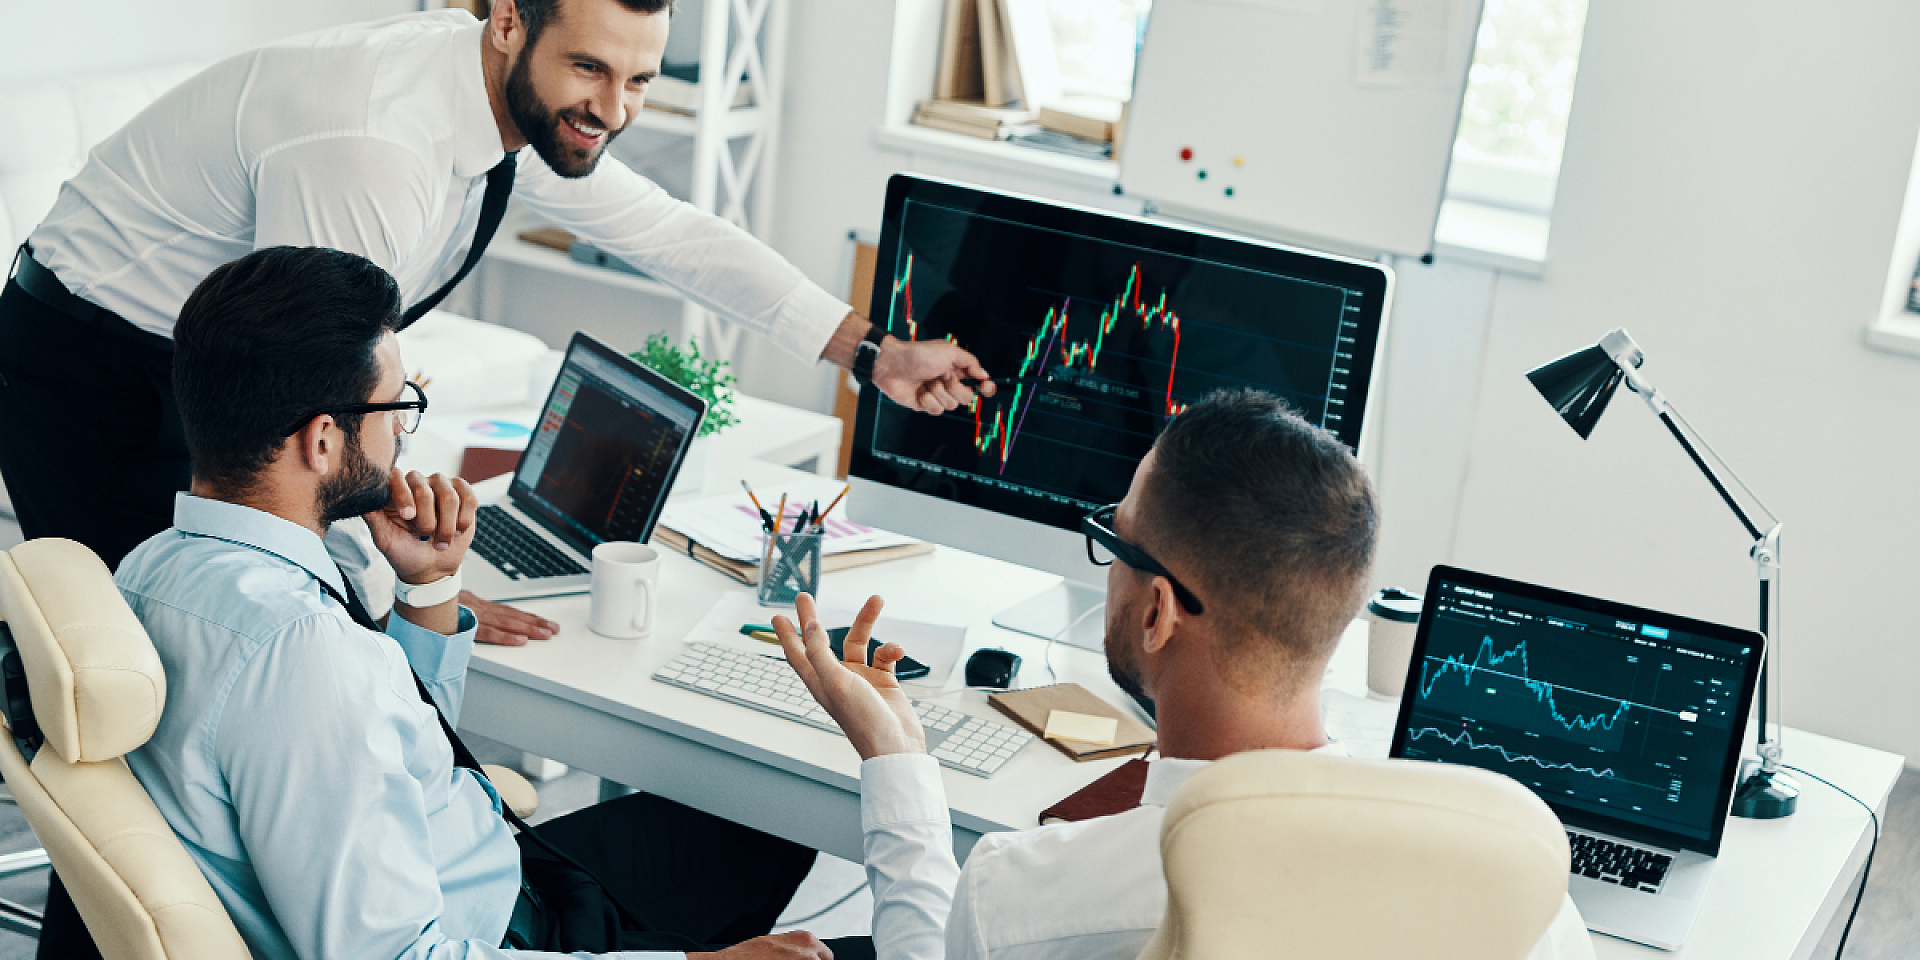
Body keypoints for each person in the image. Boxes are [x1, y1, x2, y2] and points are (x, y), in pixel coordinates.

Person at [0, 0, 992, 643]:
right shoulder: (375, 147)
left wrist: (871, 351)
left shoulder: (508, 103)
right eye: (591, 70)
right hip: (94, 372)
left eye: (639, 81)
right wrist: (418, 596)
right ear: (510, 22)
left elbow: (672, 233)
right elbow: (309, 419)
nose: (610, 108)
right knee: (153, 690)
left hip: (194, 364)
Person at [103, 245, 862, 960]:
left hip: (487, 863)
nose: (403, 429)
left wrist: (428, 585)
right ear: (325, 441)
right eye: (394, 406)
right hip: (502, 932)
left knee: (769, 823)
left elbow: (389, 744)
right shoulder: (300, 651)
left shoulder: (152, 566)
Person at [772, 388, 1597, 959]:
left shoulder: (1027, 895)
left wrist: (896, 759)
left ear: (1159, 611)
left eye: (1116, 536)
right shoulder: (1520, 895)